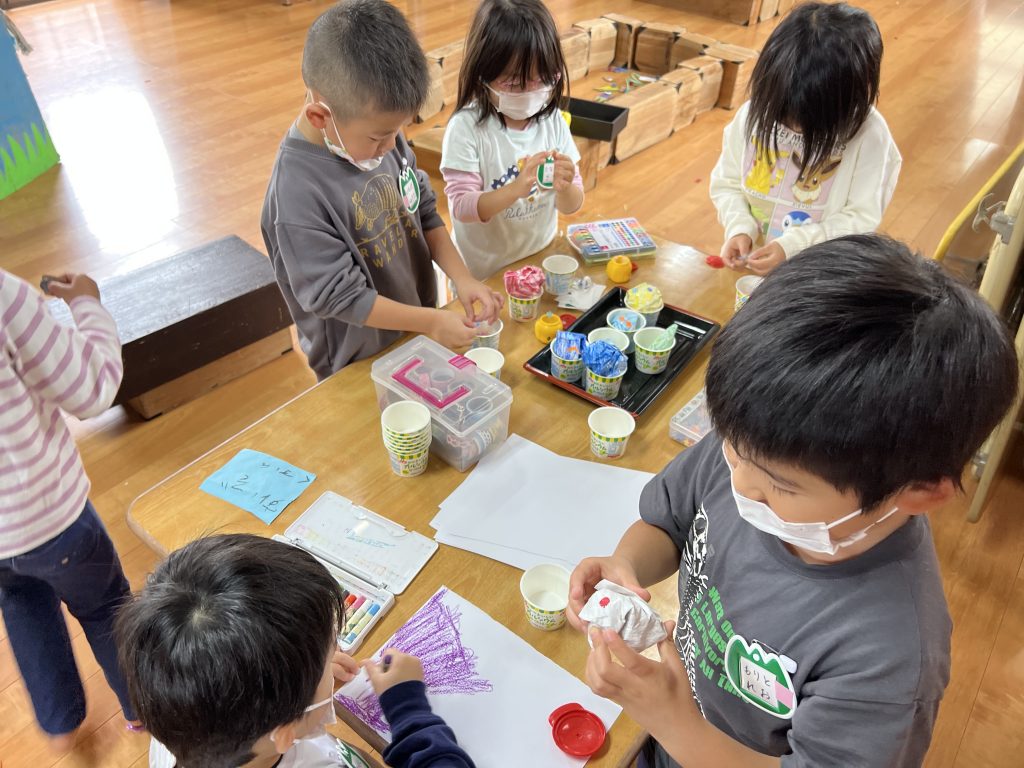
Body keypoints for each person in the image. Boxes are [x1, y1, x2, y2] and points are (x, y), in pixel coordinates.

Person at [567, 235, 1020, 767]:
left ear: (920, 491)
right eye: (730, 445)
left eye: (781, 486)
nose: (742, 483)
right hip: (675, 722)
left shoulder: (889, 656)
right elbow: (666, 520)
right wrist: (627, 565)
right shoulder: (758, 444)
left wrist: (670, 719)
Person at [261, 0, 501, 380]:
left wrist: (462, 278)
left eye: (397, 131)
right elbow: (342, 297)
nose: (392, 146)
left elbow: (422, 211)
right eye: (380, 136)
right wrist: (431, 321)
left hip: (415, 330)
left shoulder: (379, 138)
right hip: (357, 364)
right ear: (320, 117)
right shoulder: (295, 195)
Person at [116, 534, 475, 768]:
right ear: (285, 732)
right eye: (326, 657)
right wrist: (408, 708)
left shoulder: (181, 738)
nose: (333, 652)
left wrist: (301, 673)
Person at [0, 269, 140, 748]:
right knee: (105, 607)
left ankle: (60, 722)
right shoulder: (5, 297)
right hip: (53, 520)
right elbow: (92, 390)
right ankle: (143, 708)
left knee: (22, 606)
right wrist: (86, 303)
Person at [710, 2, 902, 275]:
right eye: (784, 113)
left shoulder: (869, 137)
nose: (795, 129)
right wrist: (739, 227)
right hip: (763, 270)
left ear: (851, 97)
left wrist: (792, 247)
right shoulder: (753, 115)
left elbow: (860, 218)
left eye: (811, 122)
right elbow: (727, 183)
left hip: (822, 272)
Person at [440, 0, 584, 280]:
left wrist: (566, 187)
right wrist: (518, 188)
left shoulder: (552, 121)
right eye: (515, 83)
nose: (531, 90)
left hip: (539, 261)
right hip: (485, 274)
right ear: (484, 73)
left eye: (543, 78)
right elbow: (462, 207)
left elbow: (572, 204)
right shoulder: (466, 128)